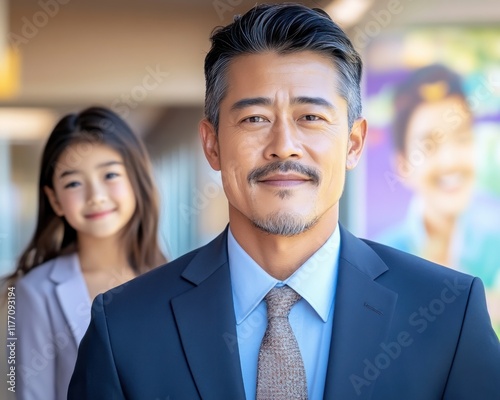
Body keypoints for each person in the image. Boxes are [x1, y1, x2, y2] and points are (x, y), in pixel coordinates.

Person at [69, 4, 500, 400]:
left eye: (310, 117)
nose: (284, 146)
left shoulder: (448, 315)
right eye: (254, 119)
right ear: (212, 144)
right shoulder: (125, 325)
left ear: (353, 143)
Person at [8, 107, 166, 400]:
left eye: (109, 174)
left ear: (136, 178)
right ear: (55, 200)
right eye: (73, 183)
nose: (95, 196)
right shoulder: (35, 291)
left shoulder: (177, 279)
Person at [376, 64, 500, 335]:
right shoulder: (380, 263)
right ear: (403, 164)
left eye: (462, 138)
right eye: (429, 145)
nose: (450, 161)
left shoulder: (496, 245)